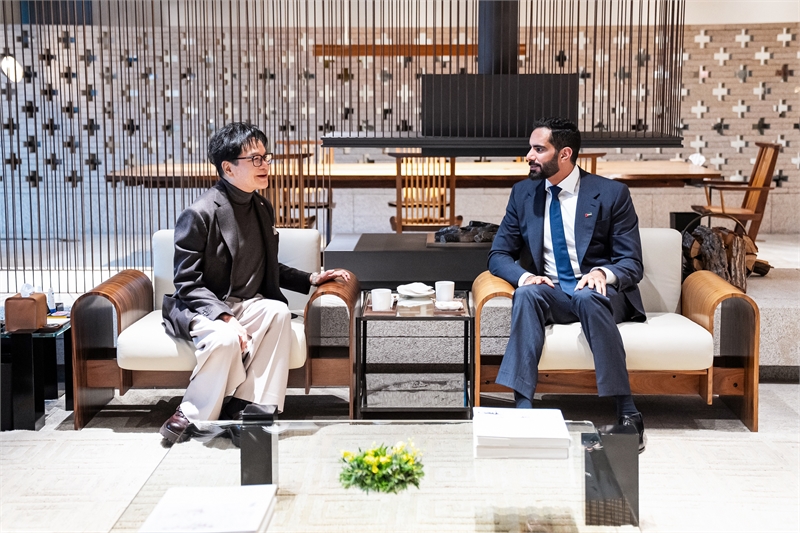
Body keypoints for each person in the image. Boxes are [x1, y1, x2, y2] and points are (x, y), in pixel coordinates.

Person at [159, 122, 349, 444]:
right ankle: (190, 413)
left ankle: (249, 409)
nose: (265, 165)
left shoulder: (261, 207)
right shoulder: (200, 213)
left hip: (246, 304)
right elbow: (187, 282)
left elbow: (266, 265)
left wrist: (312, 278)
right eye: (255, 159)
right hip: (202, 306)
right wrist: (225, 317)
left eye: (266, 157)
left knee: (277, 312)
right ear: (228, 168)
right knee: (225, 339)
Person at [488, 117, 647, 452]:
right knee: (527, 294)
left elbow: (632, 263)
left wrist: (602, 273)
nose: (529, 156)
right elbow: (499, 254)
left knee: (589, 297)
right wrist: (526, 276)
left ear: (564, 154)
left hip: (601, 295)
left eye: (538, 149)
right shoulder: (523, 194)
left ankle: (628, 411)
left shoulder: (611, 194)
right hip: (554, 294)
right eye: (530, 148)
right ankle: (523, 410)